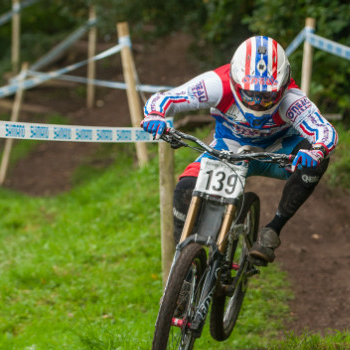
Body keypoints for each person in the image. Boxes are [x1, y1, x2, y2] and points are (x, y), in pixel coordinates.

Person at [140, 35, 338, 265]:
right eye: (249, 93)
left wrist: (317, 151)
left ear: (283, 87)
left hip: (279, 153)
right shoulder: (217, 84)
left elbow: (324, 130)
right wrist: (155, 115)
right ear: (235, 82)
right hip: (231, 148)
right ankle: (183, 262)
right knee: (185, 188)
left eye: (267, 96)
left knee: (319, 160)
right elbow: (167, 98)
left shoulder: (291, 99)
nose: (257, 102)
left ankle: (273, 229)